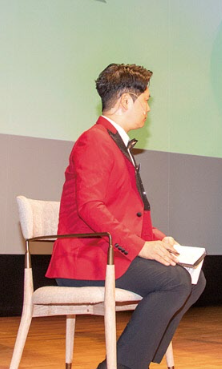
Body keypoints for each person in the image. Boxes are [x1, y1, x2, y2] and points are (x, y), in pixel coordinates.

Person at [46, 63, 205, 369]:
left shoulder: (117, 144)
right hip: (85, 258)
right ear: (125, 102)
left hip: (109, 253)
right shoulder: (93, 140)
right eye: (146, 100)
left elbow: (131, 215)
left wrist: (160, 239)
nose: (148, 107)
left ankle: (133, 359)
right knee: (174, 282)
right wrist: (143, 247)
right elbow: (90, 208)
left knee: (195, 279)